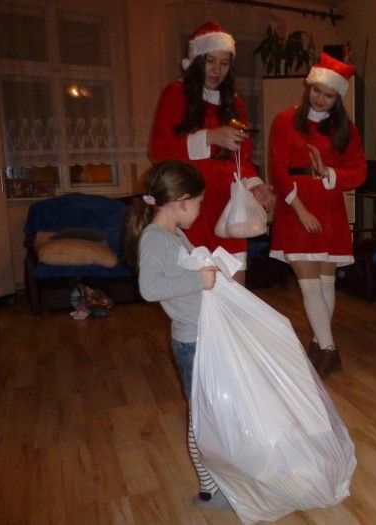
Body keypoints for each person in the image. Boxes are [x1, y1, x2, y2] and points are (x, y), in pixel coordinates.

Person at [123, 159, 231, 510]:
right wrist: (199, 279)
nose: (200, 209)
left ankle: (218, 480)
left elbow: (183, 271)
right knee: (201, 418)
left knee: (211, 413)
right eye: (199, 202)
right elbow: (150, 287)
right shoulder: (156, 238)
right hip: (192, 341)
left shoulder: (171, 234)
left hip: (203, 336)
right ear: (183, 201)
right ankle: (208, 490)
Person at [150, 21, 275, 286]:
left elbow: (243, 158)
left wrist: (256, 186)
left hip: (229, 209)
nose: (217, 70)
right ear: (197, 61)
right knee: (198, 292)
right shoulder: (176, 93)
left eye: (224, 63)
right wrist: (210, 137)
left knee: (235, 291)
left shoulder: (235, 103)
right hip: (190, 208)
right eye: (210, 61)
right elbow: (160, 149)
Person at [268, 52, 366, 378]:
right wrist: (300, 210)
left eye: (328, 95)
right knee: (309, 284)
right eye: (316, 91)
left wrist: (330, 172)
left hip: (330, 206)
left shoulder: (346, 129)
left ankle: (317, 343)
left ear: (338, 98)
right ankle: (329, 350)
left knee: (326, 284)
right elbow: (278, 169)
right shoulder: (285, 120)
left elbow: (360, 172)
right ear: (308, 86)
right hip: (296, 206)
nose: (320, 99)